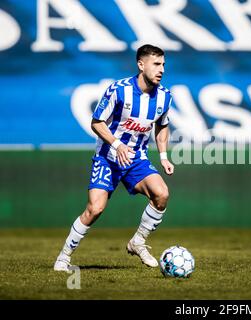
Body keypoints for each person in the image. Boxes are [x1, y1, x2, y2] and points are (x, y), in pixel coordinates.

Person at [54, 44, 175, 272]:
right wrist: (117, 145)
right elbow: (97, 122)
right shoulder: (119, 90)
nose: (161, 70)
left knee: (162, 194)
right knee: (95, 209)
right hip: (108, 157)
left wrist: (164, 156)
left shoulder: (165, 97)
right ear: (141, 65)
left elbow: (162, 126)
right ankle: (64, 255)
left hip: (136, 158)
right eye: (156, 64)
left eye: (163, 65)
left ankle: (137, 242)